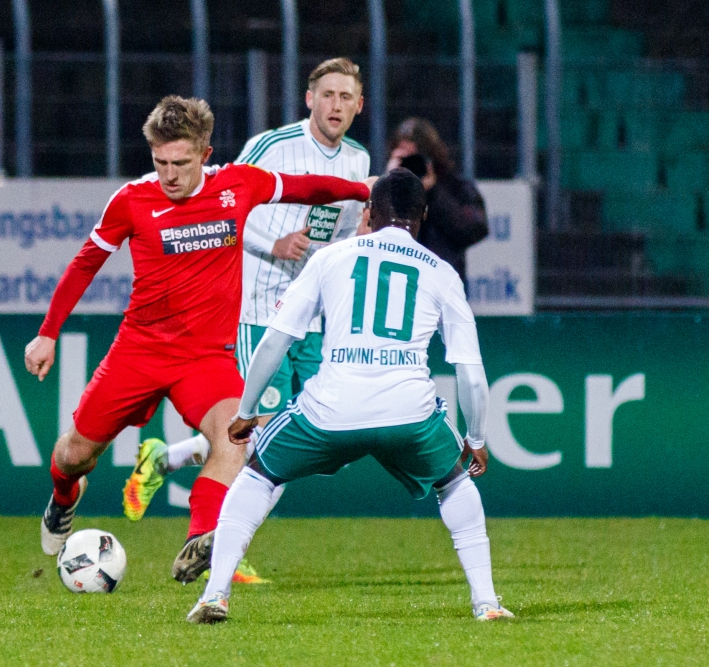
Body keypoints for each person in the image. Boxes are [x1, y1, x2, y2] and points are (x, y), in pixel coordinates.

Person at [24, 96, 372, 583]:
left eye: (181, 163)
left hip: (206, 359)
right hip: (139, 352)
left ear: (205, 155)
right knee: (75, 455)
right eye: (160, 162)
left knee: (236, 437)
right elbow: (85, 264)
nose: (169, 174)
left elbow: (306, 187)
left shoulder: (238, 185)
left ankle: (201, 538)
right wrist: (47, 334)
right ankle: (64, 497)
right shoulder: (132, 200)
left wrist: (363, 188)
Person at [186, 169, 513, 624]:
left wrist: (246, 410)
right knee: (455, 483)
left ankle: (215, 595)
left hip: (330, 411)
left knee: (257, 475)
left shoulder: (330, 258)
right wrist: (475, 438)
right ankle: (487, 603)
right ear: (422, 216)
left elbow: (276, 339)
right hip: (408, 414)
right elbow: (471, 373)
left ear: (369, 213)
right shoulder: (441, 272)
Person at [121, 58, 371, 544]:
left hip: (314, 319)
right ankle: (223, 544)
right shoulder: (273, 146)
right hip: (260, 311)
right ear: (309, 99)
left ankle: (165, 458)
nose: (335, 104)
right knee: (261, 437)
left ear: (359, 105)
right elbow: (220, 201)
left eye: (345, 97)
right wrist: (273, 243)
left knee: (322, 431)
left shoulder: (358, 160)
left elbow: (341, 233)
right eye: (327, 94)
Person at [387, 117, 488, 283]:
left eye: (416, 158)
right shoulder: (387, 187)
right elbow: (373, 230)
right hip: (399, 280)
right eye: (406, 159)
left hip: (441, 282)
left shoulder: (454, 186)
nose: (413, 165)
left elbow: (475, 228)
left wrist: (433, 192)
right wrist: (390, 183)